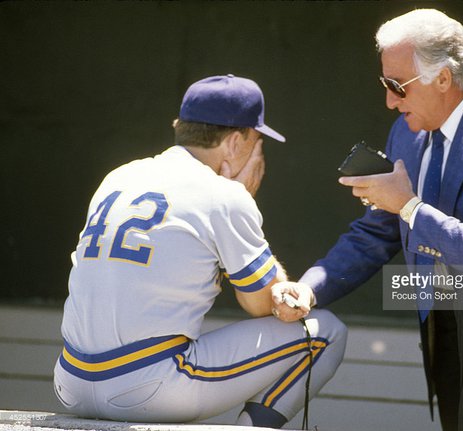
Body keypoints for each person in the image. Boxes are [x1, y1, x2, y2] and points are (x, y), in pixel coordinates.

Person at [272, 9, 463, 431]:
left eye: (396, 86)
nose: (389, 100)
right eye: (384, 84)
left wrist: (408, 206)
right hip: (439, 300)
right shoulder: (407, 130)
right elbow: (376, 232)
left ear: (443, 79)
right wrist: (308, 289)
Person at [53, 74, 347, 428]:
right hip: (149, 389)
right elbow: (263, 304)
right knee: (326, 331)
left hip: (69, 383)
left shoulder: (118, 177)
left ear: (181, 127)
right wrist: (242, 202)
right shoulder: (224, 195)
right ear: (236, 142)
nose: (258, 152)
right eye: (257, 141)